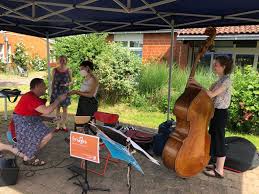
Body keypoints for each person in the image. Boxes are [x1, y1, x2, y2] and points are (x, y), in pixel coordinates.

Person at [0, 78, 66, 166]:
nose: (46, 88)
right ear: (38, 86)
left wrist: (50, 119)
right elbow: (46, 111)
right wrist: (58, 100)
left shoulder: (33, 97)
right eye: (44, 85)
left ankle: (27, 154)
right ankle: (27, 155)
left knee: (46, 134)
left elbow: (33, 116)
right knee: (46, 134)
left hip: (23, 125)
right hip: (16, 130)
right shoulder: (30, 97)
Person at [189, 55, 233, 179]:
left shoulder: (226, 81)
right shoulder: (218, 80)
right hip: (214, 113)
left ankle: (219, 171)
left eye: (216, 65)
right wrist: (195, 87)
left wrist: (197, 83)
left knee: (219, 139)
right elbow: (206, 94)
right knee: (213, 137)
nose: (214, 67)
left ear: (224, 67)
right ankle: (214, 164)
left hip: (220, 114)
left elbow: (211, 94)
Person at [50, 55, 72, 132]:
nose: (62, 61)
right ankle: (58, 125)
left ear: (66, 61)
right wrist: (52, 91)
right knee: (57, 109)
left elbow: (71, 81)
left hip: (65, 92)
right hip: (56, 91)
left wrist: (67, 84)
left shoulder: (68, 70)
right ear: (58, 61)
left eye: (64, 60)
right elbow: (52, 81)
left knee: (65, 109)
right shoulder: (54, 70)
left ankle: (64, 125)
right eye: (61, 60)